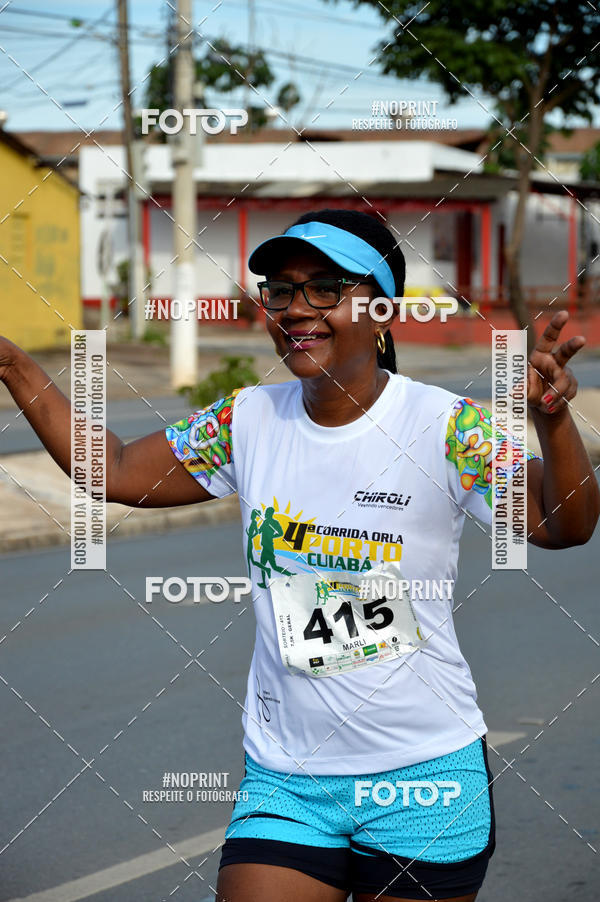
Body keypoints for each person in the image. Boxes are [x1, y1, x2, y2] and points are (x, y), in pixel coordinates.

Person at [0, 209, 598, 902]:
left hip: (423, 778)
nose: (295, 309)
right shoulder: (249, 418)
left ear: (381, 310)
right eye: (280, 290)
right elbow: (114, 466)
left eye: (324, 288)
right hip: (287, 779)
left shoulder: (444, 426)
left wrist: (551, 423)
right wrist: (13, 364)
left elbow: (565, 524)